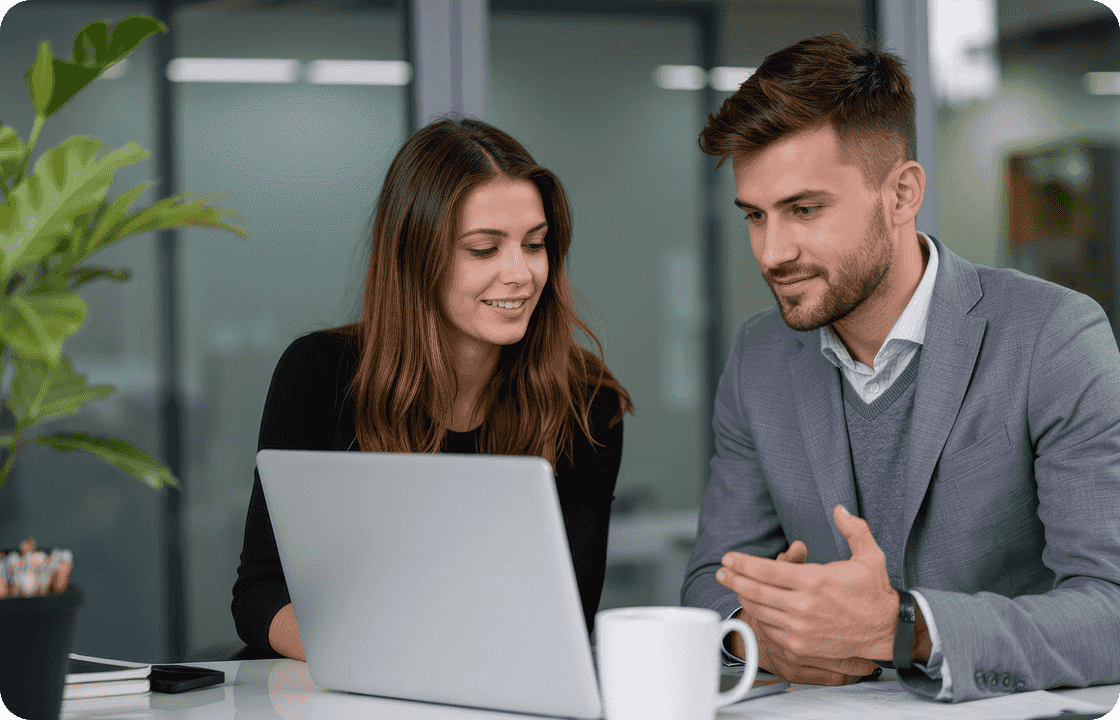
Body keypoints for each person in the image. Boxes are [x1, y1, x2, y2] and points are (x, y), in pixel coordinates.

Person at [682, 32, 1120, 702]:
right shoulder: (760, 357)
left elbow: (1110, 611)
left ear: (901, 194)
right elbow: (715, 578)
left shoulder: (1053, 337)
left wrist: (908, 628)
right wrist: (755, 634)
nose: (772, 252)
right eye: (756, 216)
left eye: (805, 209)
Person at [233, 118, 633, 661]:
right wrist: (376, 655)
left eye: (534, 244)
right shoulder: (319, 373)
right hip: (351, 687)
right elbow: (260, 594)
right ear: (417, 255)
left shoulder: (587, 401)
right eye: (483, 249)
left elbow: (568, 612)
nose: (520, 273)